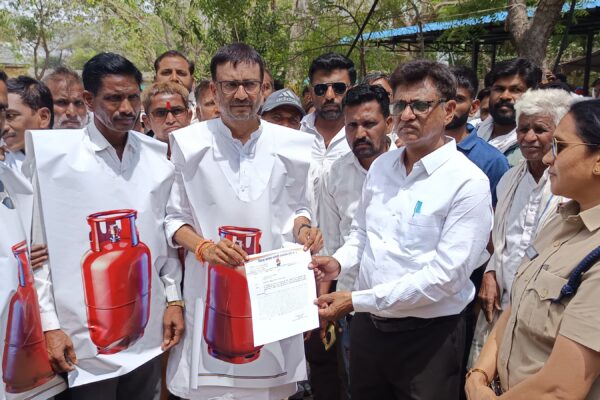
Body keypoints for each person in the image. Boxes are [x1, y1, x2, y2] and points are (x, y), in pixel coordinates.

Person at [310, 60, 493, 400]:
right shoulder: (382, 168)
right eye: (400, 105)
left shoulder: (468, 183)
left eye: (420, 105)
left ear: (448, 110)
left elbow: (445, 278)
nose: (407, 115)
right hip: (369, 331)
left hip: (428, 339)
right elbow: (362, 234)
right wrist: (339, 263)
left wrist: (357, 300)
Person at [164, 42, 322, 400]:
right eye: (230, 85)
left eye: (249, 84)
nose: (240, 94)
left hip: (273, 293)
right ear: (214, 88)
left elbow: (298, 208)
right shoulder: (188, 144)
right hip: (211, 293)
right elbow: (173, 219)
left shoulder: (293, 144)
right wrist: (204, 248)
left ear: (263, 87)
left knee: (271, 389)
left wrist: (304, 230)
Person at [27, 52, 183, 400]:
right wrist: (50, 325)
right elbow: (40, 253)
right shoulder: (55, 159)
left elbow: (164, 240)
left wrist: (174, 300)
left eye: (132, 97)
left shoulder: (156, 157)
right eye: (113, 98)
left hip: (146, 332)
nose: (126, 108)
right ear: (89, 100)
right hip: (82, 343)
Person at [466, 99, 600, 399]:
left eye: (560, 147)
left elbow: (561, 388)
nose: (549, 158)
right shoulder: (560, 223)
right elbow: (516, 308)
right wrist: (479, 375)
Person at [469, 88, 573, 365]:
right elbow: (502, 239)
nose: (528, 137)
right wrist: (490, 272)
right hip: (500, 305)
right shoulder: (509, 179)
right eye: (523, 129)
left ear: (560, 133)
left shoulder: (571, 186)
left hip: (548, 313)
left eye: (540, 129)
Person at [318, 83, 393, 397]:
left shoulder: (411, 167)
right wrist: (324, 304)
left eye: (369, 124)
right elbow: (331, 245)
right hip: (353, 308)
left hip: (406, 309)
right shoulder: (334, 174)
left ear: (389, 123)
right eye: (351, 126)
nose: (360, 134)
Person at [447, 66, 509, 207]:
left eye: (458, 99)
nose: (449, 106)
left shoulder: (492, 161)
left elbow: (496, 213)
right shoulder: (418, 150)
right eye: (443, 99)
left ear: (474, 107)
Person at [477, 58, 542, 166]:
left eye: (515, 90)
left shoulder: (536, 148)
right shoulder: (473, 134)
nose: (505, 96)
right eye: (499, 89)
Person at [1, 76, 53, 173]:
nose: (3, 127)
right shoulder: (4, 165)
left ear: (43, 117)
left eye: (10, 116)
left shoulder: (73, 161)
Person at [142, 81, 192, 153]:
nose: (170, 120)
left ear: (189, 116)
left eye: (177, 111)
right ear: (147, 122)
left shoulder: (204, 151)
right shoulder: (139, 156)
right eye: (160, 113)